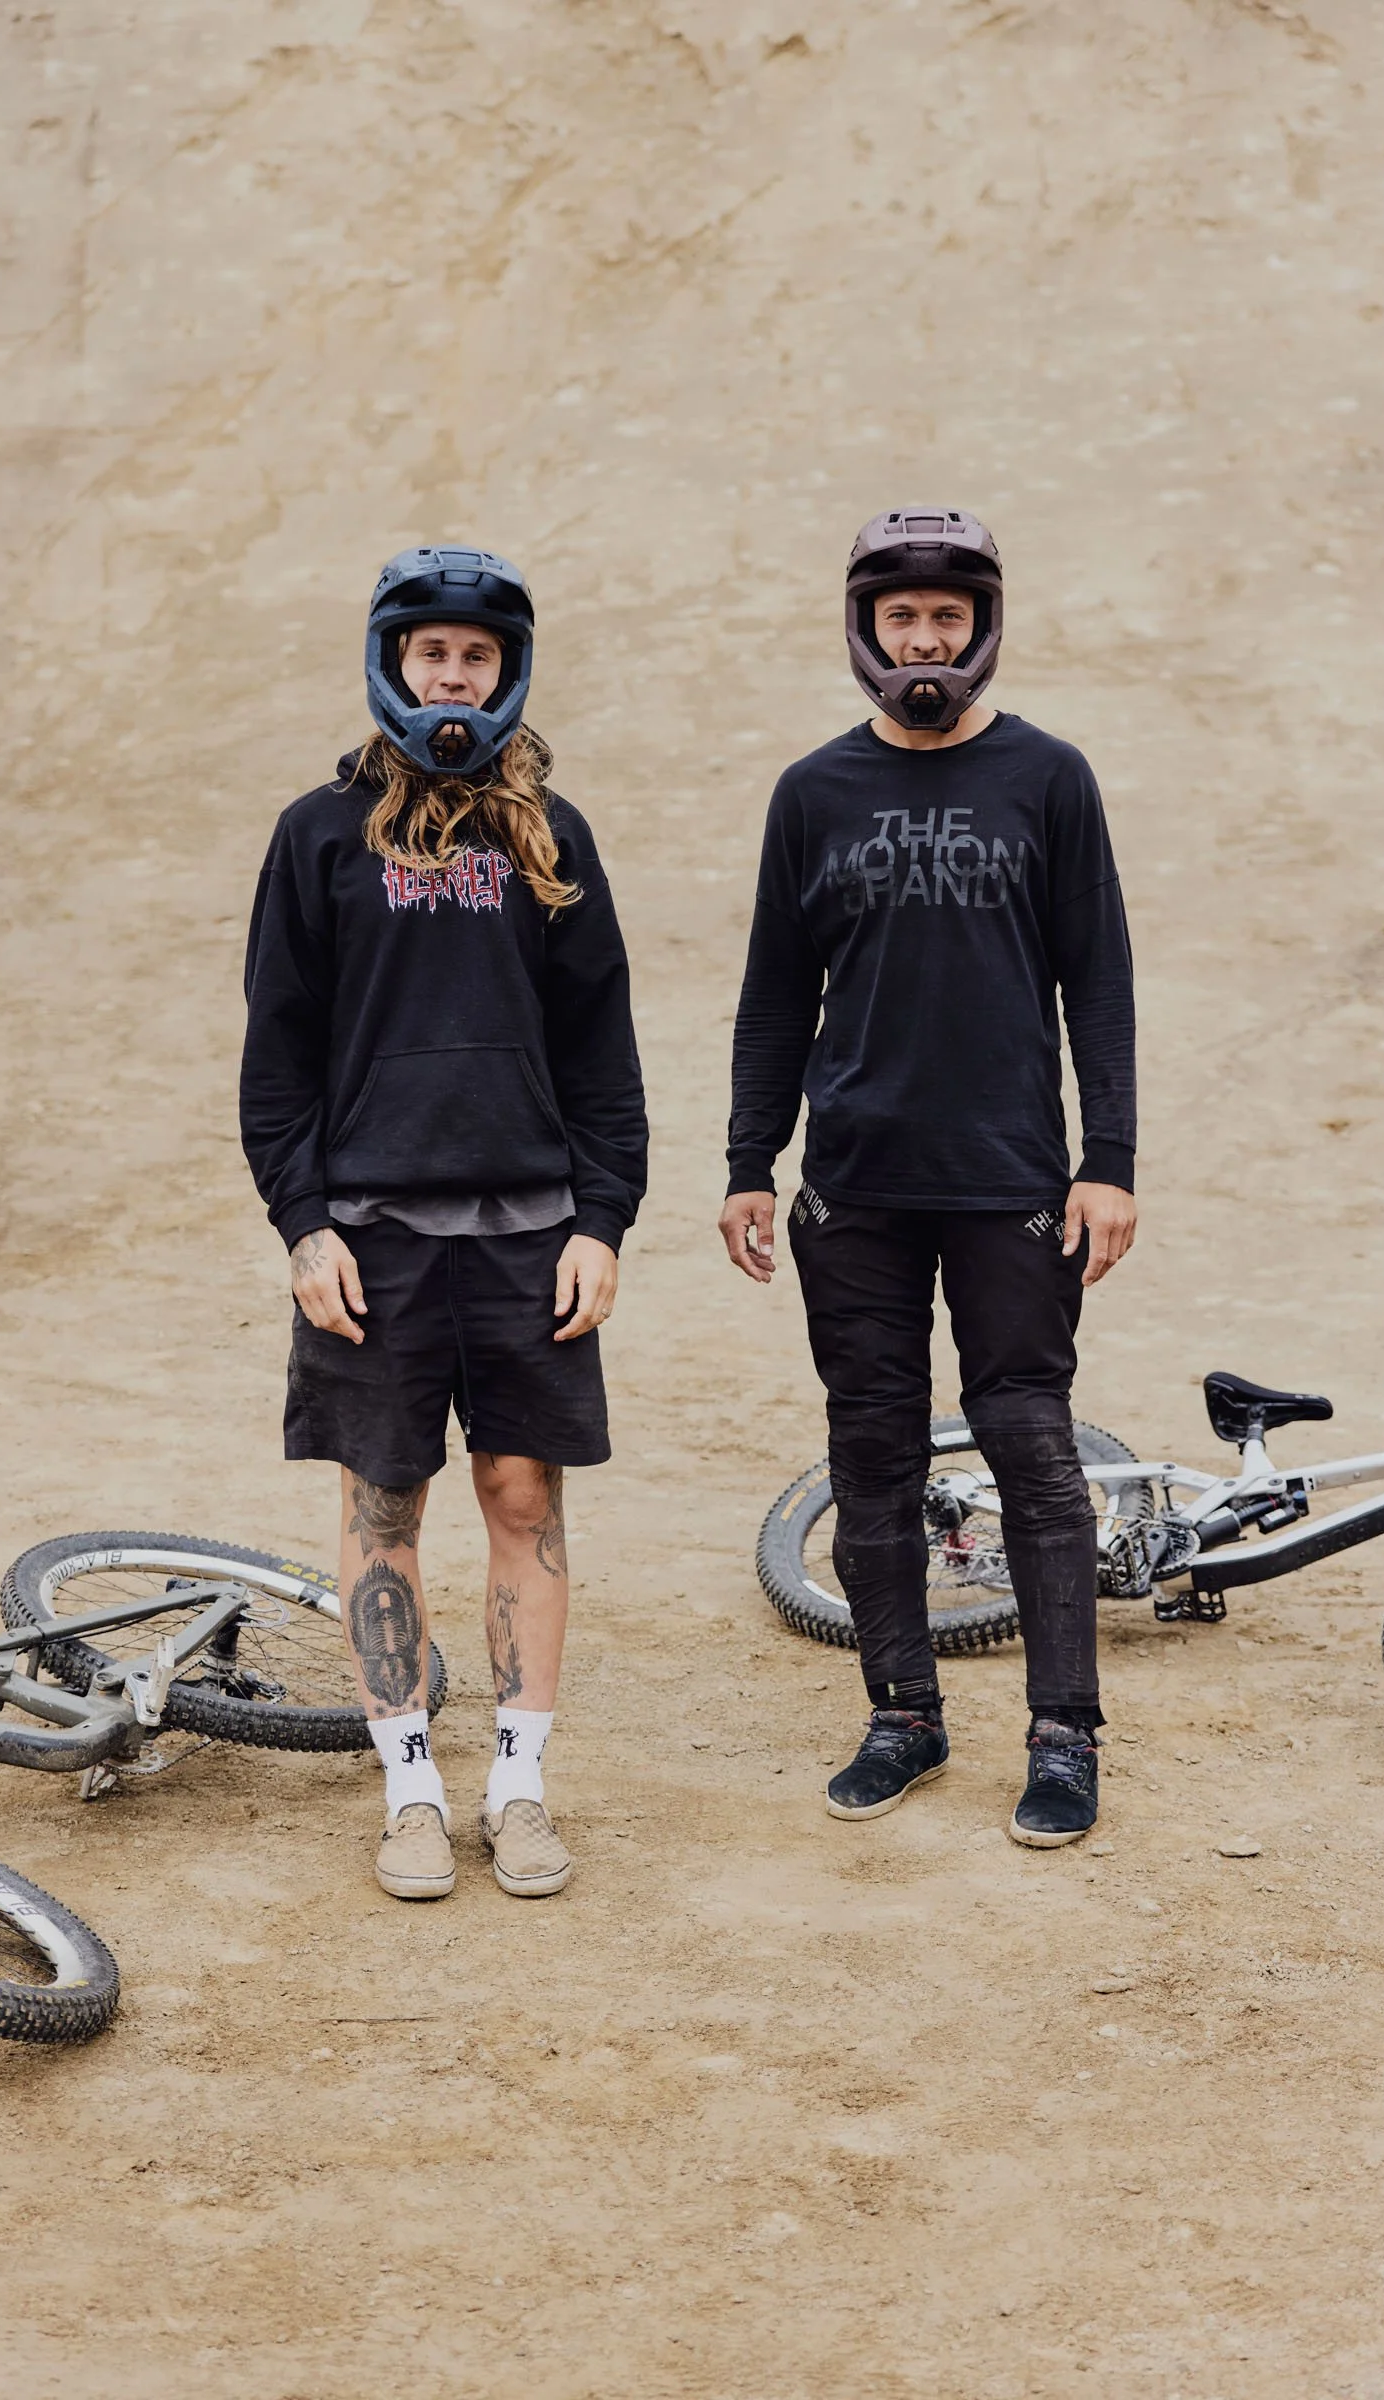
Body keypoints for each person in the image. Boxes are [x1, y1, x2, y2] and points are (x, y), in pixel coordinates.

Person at [719, 509, 1136, 1847]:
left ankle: (1063, 1737)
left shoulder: (1049, 780)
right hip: (858, 1188)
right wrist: (747, 1161)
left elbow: (1101, 980)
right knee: (875, 1453)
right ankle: (902, 1715)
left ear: (982, 628)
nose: (925, 638)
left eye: (946, 618)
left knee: (1029, 1446)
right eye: (903, 618)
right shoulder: (814, 793)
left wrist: (1109, 1162)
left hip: (1012, 1175)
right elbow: (775, 996)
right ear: (866, 630)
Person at [241, 545, 647, 1900]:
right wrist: (307, 1225)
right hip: (375, 1238)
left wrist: (602, 1223)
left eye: (476, 656)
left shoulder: (552, 835)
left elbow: (603, 1053)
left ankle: (518, 1788)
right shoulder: (318, 835)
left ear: (507, 670)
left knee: (523, 1500)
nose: (454, 676)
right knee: (384, 1505)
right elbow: (278, 1054)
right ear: (393, 663)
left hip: (531, 1234)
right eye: (434, 654)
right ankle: (410, 1788)